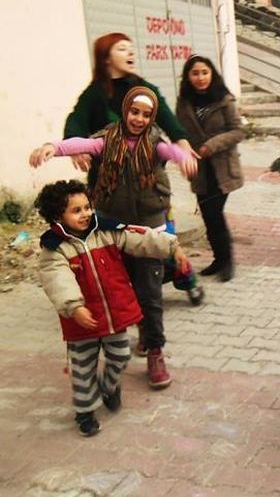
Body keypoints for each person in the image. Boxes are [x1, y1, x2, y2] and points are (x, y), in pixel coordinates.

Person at [30, 87, 195, 389]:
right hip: (110, 229)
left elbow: (169, 151)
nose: (139, 119)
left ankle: (155, 351)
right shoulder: (107, 140)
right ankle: (141, 334)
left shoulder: (155, 143)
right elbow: (82, 143)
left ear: (152, 117)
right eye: (134, 112)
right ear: (125, 110)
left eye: (146, 114)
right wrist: (54, 147)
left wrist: (183, 156)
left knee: (150, 293)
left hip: (148, 229)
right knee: (122, 289)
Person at [35, 180, 190, 436]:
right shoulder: (54, 248)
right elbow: (57, 279)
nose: (85, 214)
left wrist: (172, 246)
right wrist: (74, 306)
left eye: (87, 207)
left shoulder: (105, 231)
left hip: (115, 316)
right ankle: (85, 411)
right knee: (83, 367)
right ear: (57, 216)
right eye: (76, 210)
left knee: (120, 355)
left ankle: (109, 386)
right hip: (82, 320)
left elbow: (139, 238)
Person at [64, 32, 195, 176]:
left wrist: (182, 142)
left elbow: (167, 119)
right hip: (108, 176)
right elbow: (76, 120)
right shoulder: (95, 93)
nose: (130, 52)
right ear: (106, 58)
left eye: (131, 49)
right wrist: (74, 146)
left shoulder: (144, 88)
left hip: (145, 172)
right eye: (122, 49)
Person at [176, 55, 244, 282]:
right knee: (208, 214)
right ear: (188, 77)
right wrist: (180, 153)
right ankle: (219, 259)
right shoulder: (184, 102)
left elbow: (237, 131)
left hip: (222, 167)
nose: (200, 78)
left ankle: (227, 261)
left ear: (212, 74)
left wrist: (211, 145)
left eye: (204, 72)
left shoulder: (224, 99)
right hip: (199, 168)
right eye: (195, 73)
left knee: (214, 214)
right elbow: (179, 132)